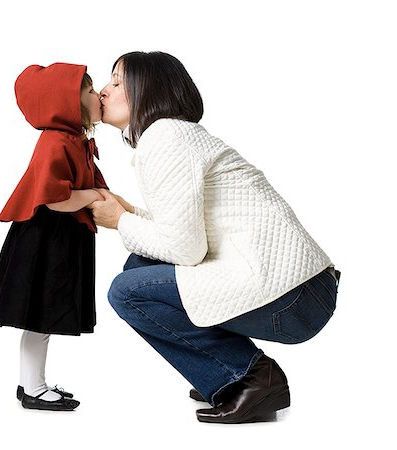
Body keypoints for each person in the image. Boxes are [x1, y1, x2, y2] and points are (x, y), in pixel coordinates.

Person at [91, 51, 340, 424]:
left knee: (127, 290)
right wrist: (129, 214)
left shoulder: (165, 136)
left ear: (148, 88)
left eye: (116, 81)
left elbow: (185, 249)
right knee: (140, 267)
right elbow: (189, 231)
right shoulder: (174, 134)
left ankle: (248, 376)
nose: (104, 91)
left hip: (293, 297)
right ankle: (224, 376)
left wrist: (121, 223)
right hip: (302, 289)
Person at [0, 62, 109, 411]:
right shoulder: (57, 141)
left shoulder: (71, 139)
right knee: (41, 315)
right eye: (88, 90)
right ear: (67, 101)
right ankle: (33, 388)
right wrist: (93, 197)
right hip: (47, 237)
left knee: (42, 318)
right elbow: (56, 199)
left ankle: (31, 384)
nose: (97, 94)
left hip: (57, 235)